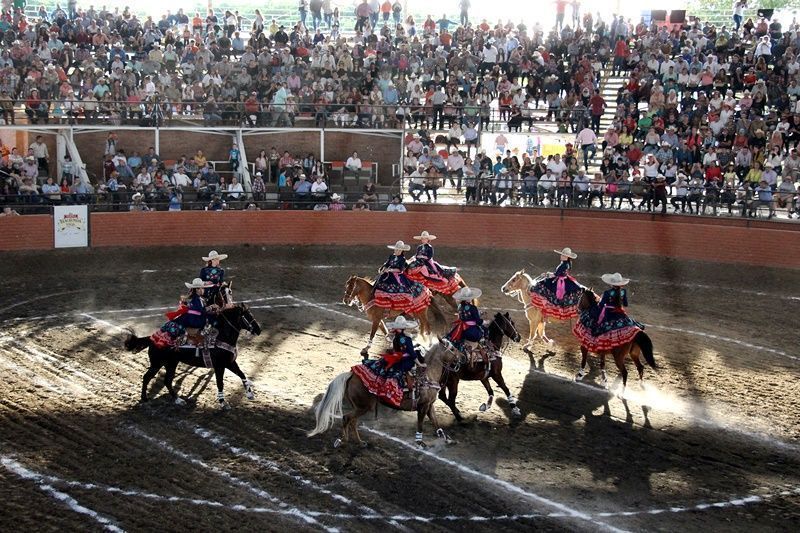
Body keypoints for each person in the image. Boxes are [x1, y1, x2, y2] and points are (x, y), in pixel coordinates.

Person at [351, 316, 424, 407]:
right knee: (417, 366)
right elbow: (412, 354)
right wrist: (419, 363)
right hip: (405, 361)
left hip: (395, 358)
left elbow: (397, 349)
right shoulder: (407, 339)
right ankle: (412, 392)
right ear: (404, 328)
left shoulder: (396, 338)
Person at [572, 272, 645, 352]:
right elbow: (625, 304)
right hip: (620, 313)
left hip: (608, 313)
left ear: (611, 284)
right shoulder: (623, 291)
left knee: (594, 322)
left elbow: (601, 305)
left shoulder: (607, 293)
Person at [151, 278, 216, 348]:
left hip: (191, 316)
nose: (203, 290)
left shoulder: (198, 298)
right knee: (213, 320)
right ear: (197, 289)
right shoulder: (196, 299)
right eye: (202, 288)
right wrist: (211, 308)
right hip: (195, 319)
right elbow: (201, 310)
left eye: (203, 288)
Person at [373, 240, 431, 314]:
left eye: (399, 249)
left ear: (402, 250)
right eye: (396, 249)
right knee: (377, 283)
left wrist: (390, 270)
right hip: (387, 275)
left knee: (395, 289)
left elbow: (400, 269)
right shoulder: (391, 256)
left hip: (397, 276)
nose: (397, 251)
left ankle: (391, 308)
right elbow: (387, 263)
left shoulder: (402, 259)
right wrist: (383, 268)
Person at [529, 247, 583, 320]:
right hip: (563, 280)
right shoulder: (566, 263)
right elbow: (558, 274)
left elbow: (556, 274)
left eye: (563, 255)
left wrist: (547, 275)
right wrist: (549, 274)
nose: (561, 256)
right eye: (561, 255)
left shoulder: (564, 264)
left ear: (567, 257)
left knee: (543, 284)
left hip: (560, 281)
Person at [405, 230, 461, 295]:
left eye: (425, 239)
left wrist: (423, 257)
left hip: (427, 262)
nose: (423, 240)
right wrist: (418, 258)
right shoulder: (419, 247)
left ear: (428, 240)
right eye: (422, 239)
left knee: (433, 270)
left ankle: (438, 278)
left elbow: (430, 255)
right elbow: (417, 255)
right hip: (419, 262)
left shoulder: (429, 247)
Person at [444, 286, 485, 354]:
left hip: (461, 329)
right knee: (484, 331)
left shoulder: (460, 307)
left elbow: (464, 317)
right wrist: (484, 321)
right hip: (471, 331)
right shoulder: (473, 307)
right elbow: (477, 321)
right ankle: (482, 349)